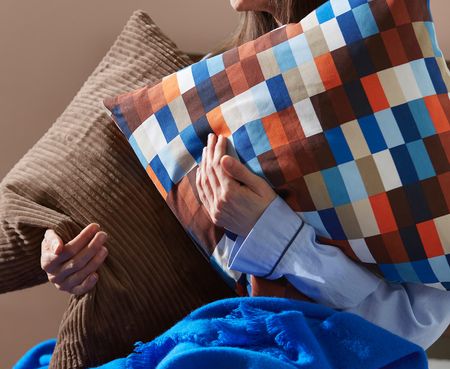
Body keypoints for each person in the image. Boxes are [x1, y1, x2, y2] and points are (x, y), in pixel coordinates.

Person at [40, 0, 450, 351]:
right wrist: (75, 256)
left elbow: (416, 323)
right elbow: (152, 239)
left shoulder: (403, 88)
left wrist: (279, 239)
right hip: (197, 347)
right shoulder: (201, 93)